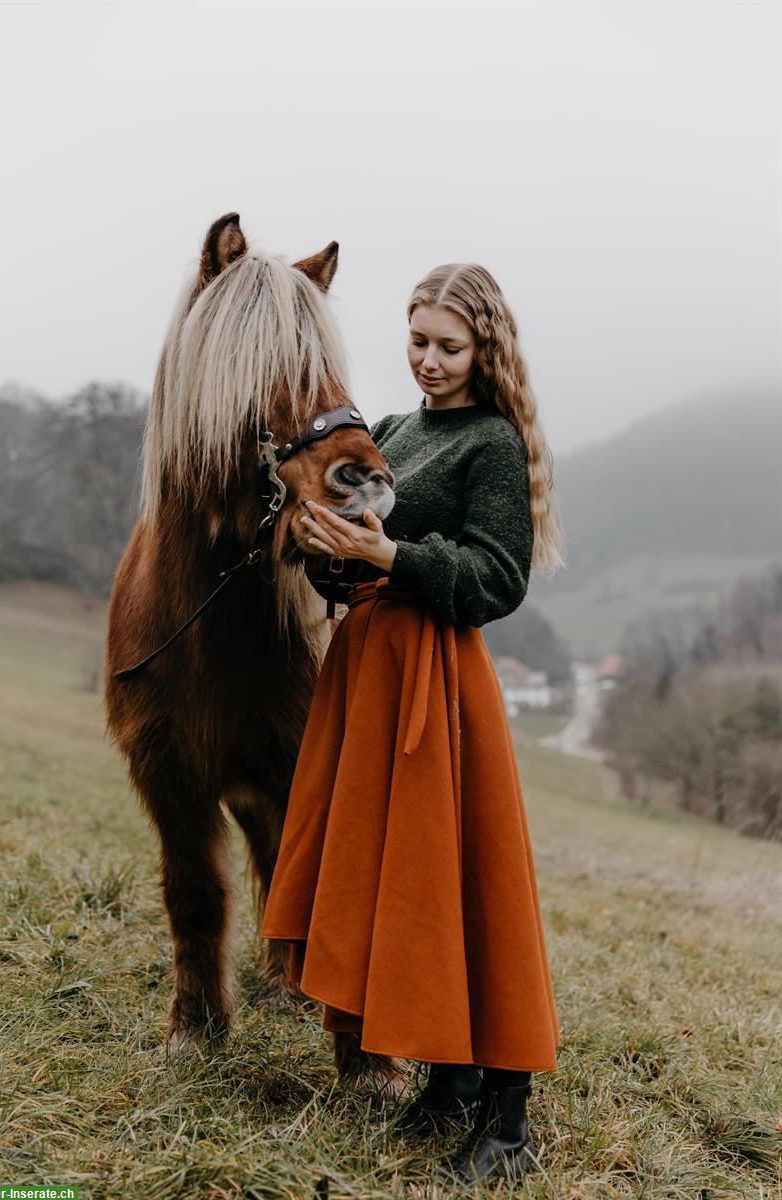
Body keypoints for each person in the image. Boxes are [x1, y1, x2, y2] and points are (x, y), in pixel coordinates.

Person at [260, 262, 565, 1186]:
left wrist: (391, 550)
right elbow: (354, 575)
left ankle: (505, 1120)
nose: (428, 361)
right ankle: (448, 1076)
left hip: (443, 681)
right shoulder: (390, 431)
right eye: (417, 340)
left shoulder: (493, 446)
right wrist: (328, 556)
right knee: (395, 873)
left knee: (462, 877)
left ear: (486, 350)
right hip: (371, 671)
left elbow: (496, 581)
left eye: (448, 346)